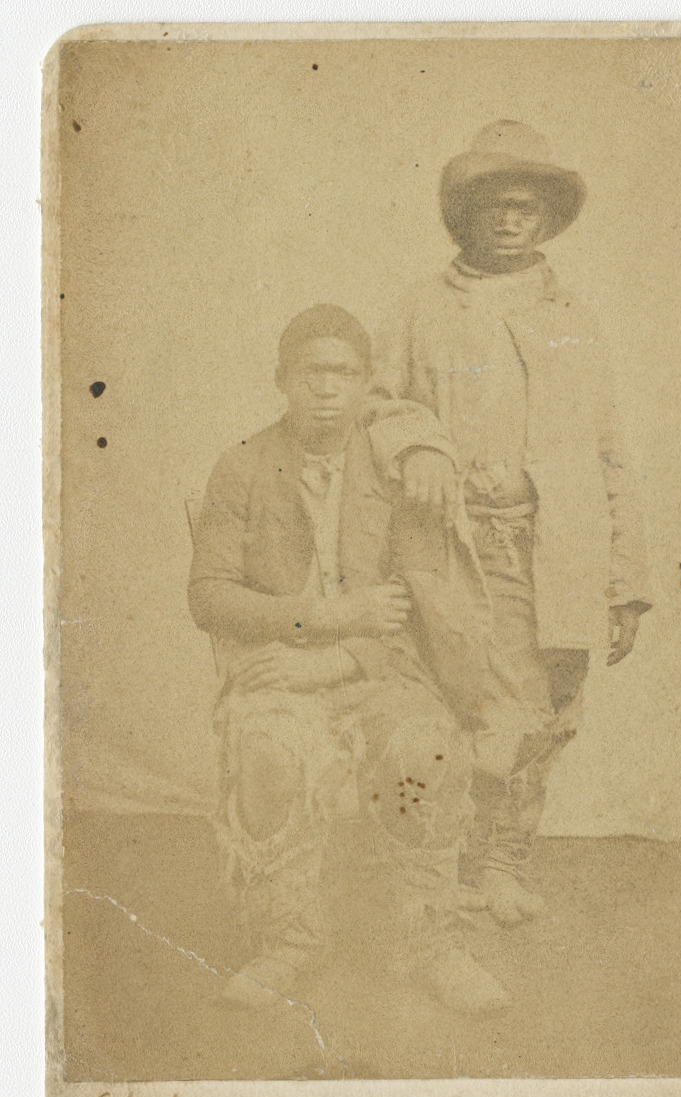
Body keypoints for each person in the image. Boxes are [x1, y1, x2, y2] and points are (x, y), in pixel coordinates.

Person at [188, 304, 510, 1013]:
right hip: (277, 668)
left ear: (368, 384)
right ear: (282, 380)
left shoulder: (399, 470)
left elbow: (423, 604)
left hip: (380, 669)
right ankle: (290, 939)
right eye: (311, 372)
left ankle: (426, 943)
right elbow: (208, 595)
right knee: (272, 748)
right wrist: (323, 619)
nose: (328, 388)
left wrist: (338, 660)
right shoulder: (242, 466)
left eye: (344, 373)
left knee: (422, 747)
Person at [368, 121, 652, 925]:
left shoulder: (573, 314)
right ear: (466, 212)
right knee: (462, 702)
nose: (509, 219)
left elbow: (609, 450)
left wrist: (627, 582)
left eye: (525, 207)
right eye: (494, 204)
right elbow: (376, 402)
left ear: (547, 218)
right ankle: (447, 865)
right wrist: (421, 442)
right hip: (452, 544)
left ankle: (503, 861)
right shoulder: (422, 306)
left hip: (556, 545)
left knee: (547, 709)